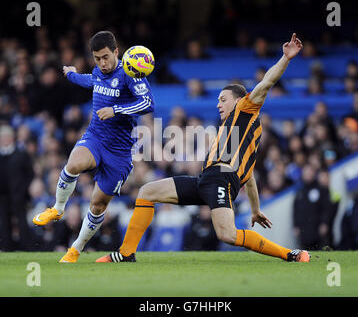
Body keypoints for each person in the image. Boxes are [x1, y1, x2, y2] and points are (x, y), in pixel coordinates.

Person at [96, 33, 310, 263]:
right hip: (205, 180)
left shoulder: (245, 110)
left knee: (227, 234)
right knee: (147, 192)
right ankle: (126, 253)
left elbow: (266, 82)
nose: (218, 104)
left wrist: (286, 58)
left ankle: (291, 254)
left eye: (223, 99)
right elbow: (249, 177)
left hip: (220, 181)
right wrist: (256, 210)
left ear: (239, 100)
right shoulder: (236, 131)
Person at [32, 31, 155, 263]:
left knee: (97, 206)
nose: (102, 63)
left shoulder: (131, 73)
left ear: (116, 51)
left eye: (106, 57)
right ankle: (58, 208)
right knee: (73, 164)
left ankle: (76, 248)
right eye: (97, 58)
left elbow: (148, 103)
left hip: (119, 152)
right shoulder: (99, 72)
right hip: (96, 137)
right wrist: (71, 75)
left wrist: (116, 110)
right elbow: (90, 80)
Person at [0, 125, 34, 251]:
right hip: (1, 196)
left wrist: (23, 190)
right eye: (2, 137)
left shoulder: (21, 154)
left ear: (12, 137)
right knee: (4, 224)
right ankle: (6, 249)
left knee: (22, 223)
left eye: (6, 136)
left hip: (18, 196)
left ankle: (27, 249)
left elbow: (29, 174)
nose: (4, 139)